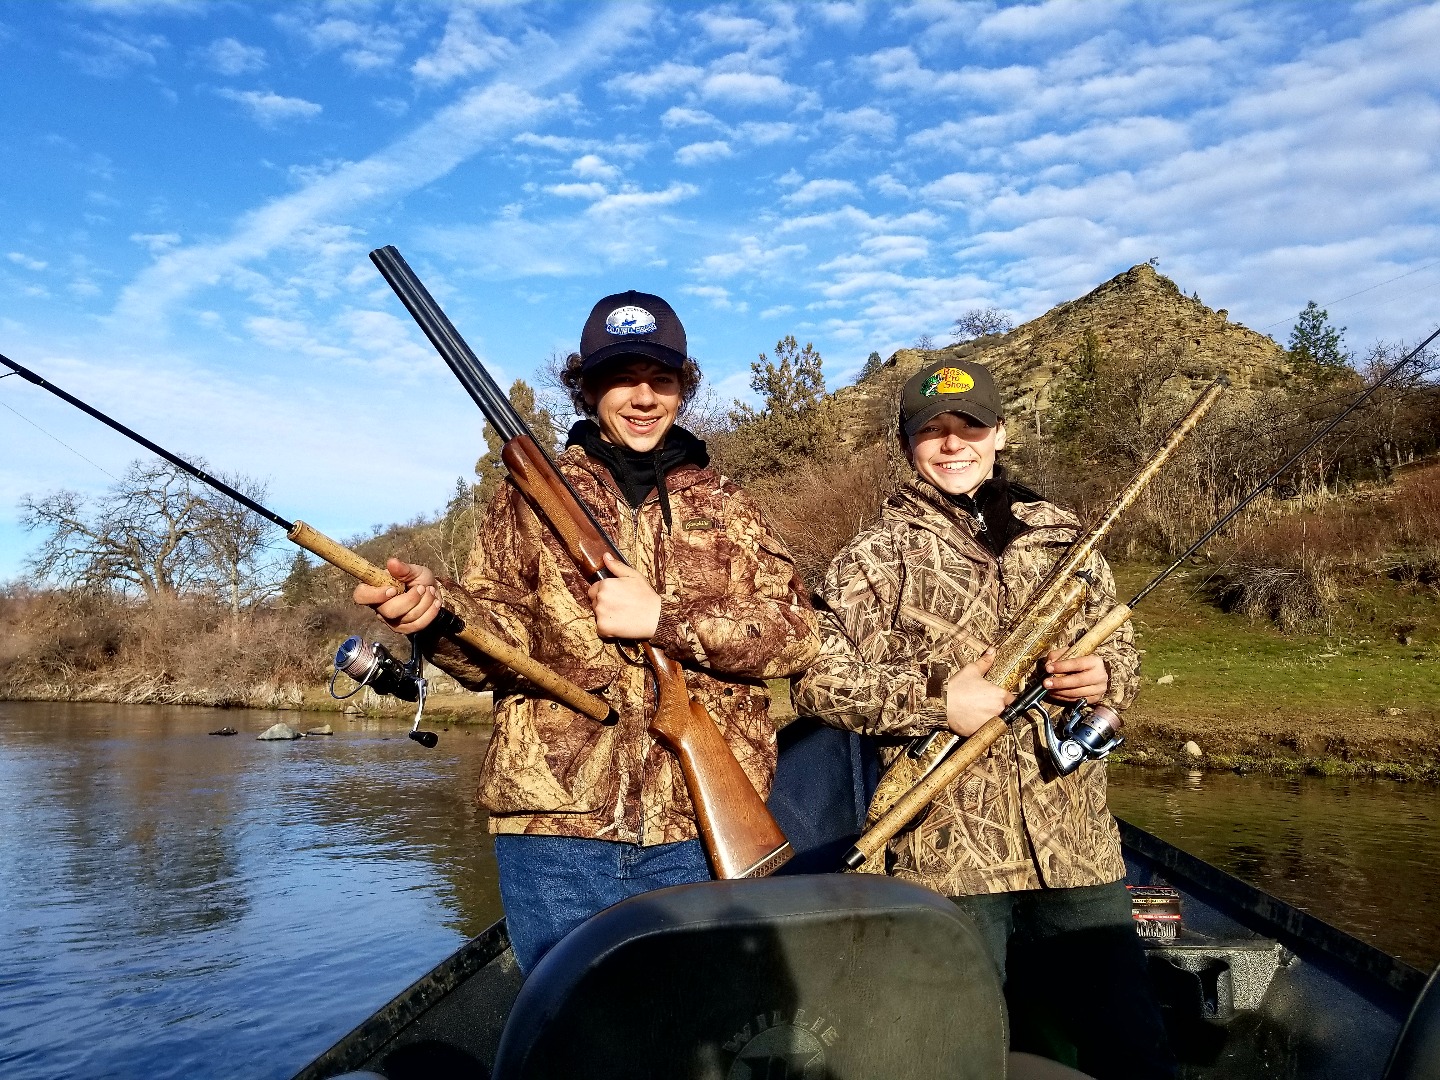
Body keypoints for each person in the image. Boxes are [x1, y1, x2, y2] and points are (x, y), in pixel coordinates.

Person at [353, 291, 820, 974]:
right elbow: (499, 640)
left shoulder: (732, 505)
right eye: (621, 378)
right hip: (555, 829)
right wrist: (439, 613)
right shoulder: (527, 497)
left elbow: (796, 635)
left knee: (694, 1037)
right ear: (587, 387)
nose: (642, 397)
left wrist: (666, 621)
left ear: (682, 389)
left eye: (661, 380)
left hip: (698, 825)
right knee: (570, 1037)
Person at [792, 359, 1174, 1079]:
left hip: (1077, 841)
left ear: (999, 433)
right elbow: (817, 684)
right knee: (960, 1052)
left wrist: (1107, 679)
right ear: (907, 445)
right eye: (930, 431)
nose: (951, 444)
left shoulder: (1064, 536)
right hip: (947, 853)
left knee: (1131, 1044)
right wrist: (938, 703)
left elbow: (1122, 645)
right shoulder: (872, 558)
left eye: (967, 427)